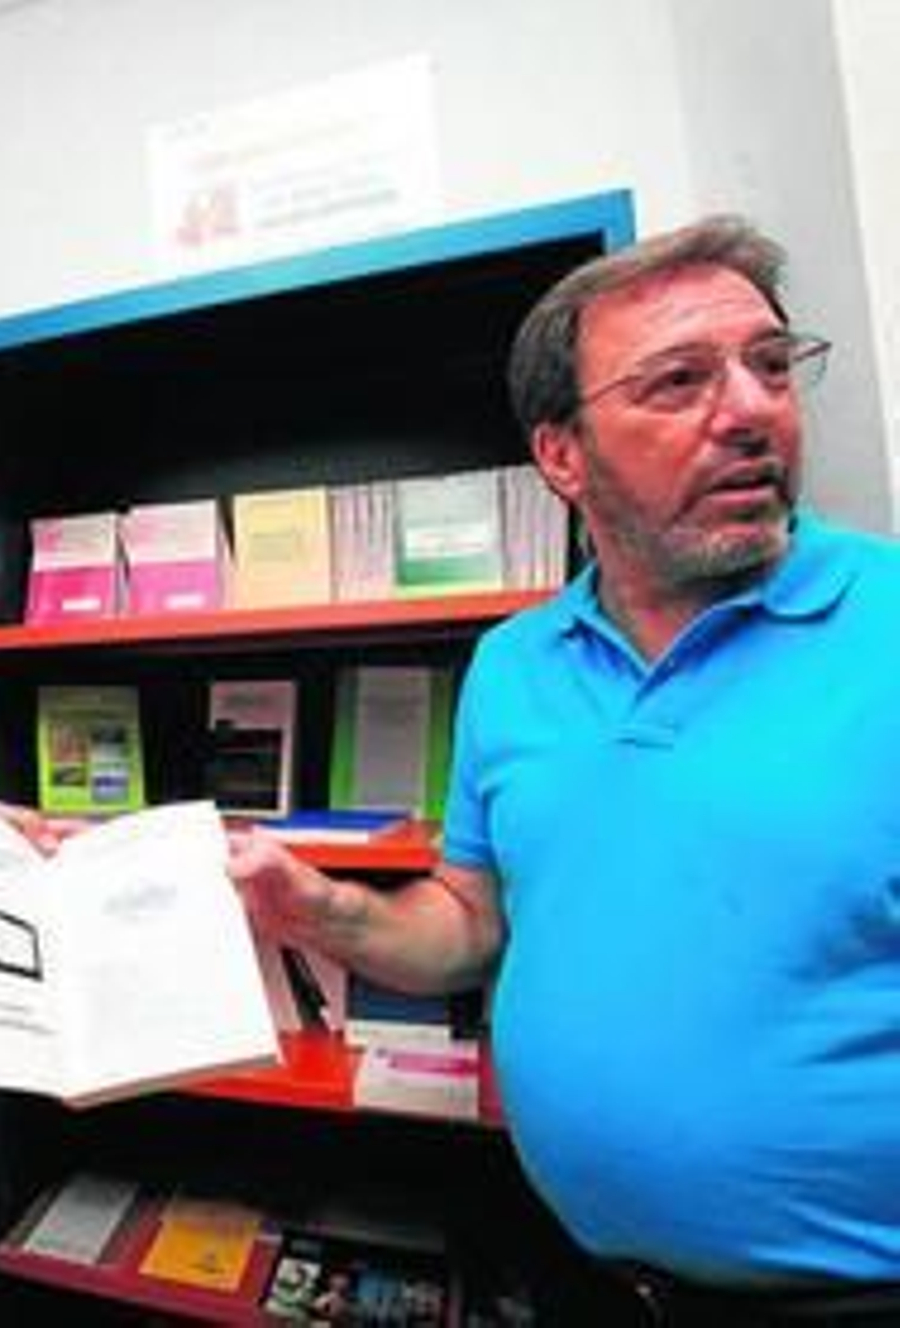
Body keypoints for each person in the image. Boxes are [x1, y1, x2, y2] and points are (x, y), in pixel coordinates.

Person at [229, 216, 900, 1322]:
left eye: (770, 365)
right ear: (561, 455)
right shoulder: (512, 665)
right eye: (678, 381)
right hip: (581, 1274)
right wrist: (316, 907)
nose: (748, 409)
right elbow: (470, 920)